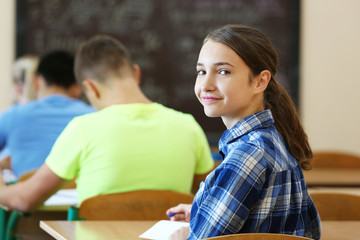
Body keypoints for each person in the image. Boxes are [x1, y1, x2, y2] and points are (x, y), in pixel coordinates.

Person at [0, 35, 214, 211]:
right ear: (136, 73)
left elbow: (24, 200)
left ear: (90, 88)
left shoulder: (83, 129)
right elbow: (210, 197)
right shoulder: (188, 126)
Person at [166, 24, 321, 239]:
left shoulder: (247, 154)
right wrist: (202, 211)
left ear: (260, 81)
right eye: (201, 71)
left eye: (223, 72)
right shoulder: (273, 138)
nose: (206, 85)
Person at [0, 50, 95, 179]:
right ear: (78, 86)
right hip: (79, 197)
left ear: (36, 81)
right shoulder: (94, 116)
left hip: (29, 195)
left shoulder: (13, 115)